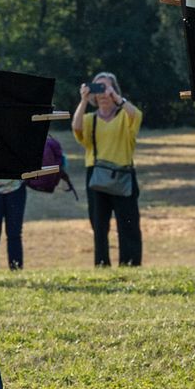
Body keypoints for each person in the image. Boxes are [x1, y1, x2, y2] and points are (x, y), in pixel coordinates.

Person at [72, 72, 143, 267]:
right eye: (98, 88)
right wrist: (84, 100)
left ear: (114, 89)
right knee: (99, 226)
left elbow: (136, 115)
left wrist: (117, 99)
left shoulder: (124, 115)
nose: (102, 93)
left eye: (106, 88)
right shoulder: (90, 119)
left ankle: (130, 263)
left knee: (128, 224)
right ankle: (102, 264)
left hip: (124, 175)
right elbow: (76, 128)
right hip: (97, 176)